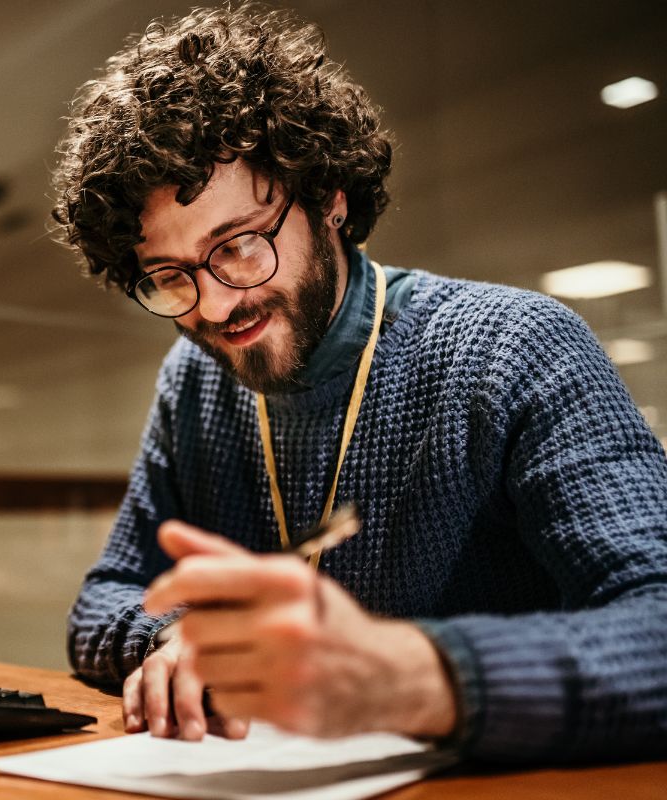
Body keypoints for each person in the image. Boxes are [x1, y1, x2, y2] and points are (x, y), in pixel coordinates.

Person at [52, 5, 667, 762]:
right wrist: (180, 636)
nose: (213, 304)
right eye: (168, 276)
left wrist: (408, 675)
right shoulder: (194, 381)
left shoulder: (516, 348)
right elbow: (105, 596)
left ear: (329, 200)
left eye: (239, 245)